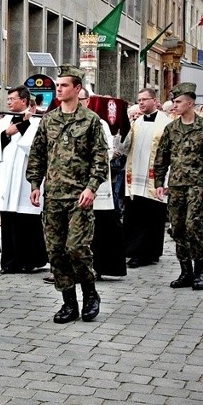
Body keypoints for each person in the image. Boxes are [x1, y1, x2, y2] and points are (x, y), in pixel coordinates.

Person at [26, 65, 107, 324]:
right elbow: (37, 154)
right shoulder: (49, 120)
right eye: (57, 85)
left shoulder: (91, 120)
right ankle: (69, 302)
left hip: (78, 197)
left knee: (76, 249)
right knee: (56, 251)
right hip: (54, 197)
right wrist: (35, 184)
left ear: (77, 89)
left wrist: (91, 187)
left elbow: (99, 158)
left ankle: (90, 293)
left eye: (63, 85)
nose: (58, 89)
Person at [152, 82, 203, 291]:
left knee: (194, 226)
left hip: (197, 186)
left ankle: (200, 271)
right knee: (178, 229)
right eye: (174, 101)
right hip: (176, 185)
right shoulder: (171, 128)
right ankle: (185, 271)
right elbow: (161, 157)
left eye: (179, 101)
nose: (175, 105)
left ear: (190, 103)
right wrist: (159, 183)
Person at [0, 86, 46, 275]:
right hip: (8, 175)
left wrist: (23, 126)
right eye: (8, 99)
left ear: (24, 101)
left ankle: (30, 260)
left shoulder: (36, 121)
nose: (8, 102)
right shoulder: (4, 120)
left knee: (26, 220)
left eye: (12, 99)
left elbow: (35, 147)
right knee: (8, 221)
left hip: (25, 177)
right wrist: (6, 133)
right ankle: (9, 262)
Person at [80, 89, 127, 280]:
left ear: (87, 101)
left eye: (81, 99)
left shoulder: (99, 123)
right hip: (69, 185)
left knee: (98, 227)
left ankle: (98, 267)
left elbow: (107, 151)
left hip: (94, 184)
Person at [123, 87, 171, 269]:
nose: (141, 103)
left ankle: (150, 252)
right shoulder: (136, 122)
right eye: (139, 100)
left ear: (155, 101)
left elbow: (170, 153)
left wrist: (166, 180)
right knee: (135, 215)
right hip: (135, 176)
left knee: (153, 216)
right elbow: (125, 147)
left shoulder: (166, 123)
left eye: (144, 99)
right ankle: (135, 251)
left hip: (155, 178)